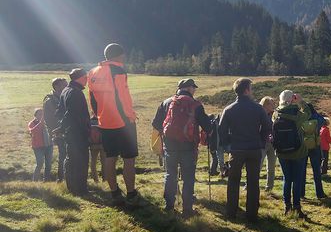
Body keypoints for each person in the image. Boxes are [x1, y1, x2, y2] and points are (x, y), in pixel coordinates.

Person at [152, 79, 213, 218]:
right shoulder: (196, 105)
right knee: (188, 178)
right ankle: (187, 210)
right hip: (188, 147)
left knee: (170, 175)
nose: (195, 90)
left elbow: (156, 124)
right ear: (189, 88)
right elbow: (207, 127)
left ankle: (169, 206)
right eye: (194, 88)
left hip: (170, 146)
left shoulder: (167, 102)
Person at [88, 43, 139, 206]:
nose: (124, 58)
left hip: (105, 122)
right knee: (129, 159)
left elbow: (92, 99)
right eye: (123, 55)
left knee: (110, 157)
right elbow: (123, 97)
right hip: (123, 122)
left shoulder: (93, 72)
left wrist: (98, 116)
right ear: (119, 55)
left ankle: (114, 192)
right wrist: (130, 117)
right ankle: (131, 193)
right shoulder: (118, 71)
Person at [218, 78, 272, 222]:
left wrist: (229, 145)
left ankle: (231, 213)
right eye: (251, 88)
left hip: (236, 149)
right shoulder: (258, 108)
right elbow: (268, 127)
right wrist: (261, 141)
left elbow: (221, 131)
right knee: (253, 182)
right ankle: (252, 215)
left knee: (233, 181)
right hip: (254, 149)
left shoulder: (229, 109)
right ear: (247, 90)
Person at [273, 90, 310, 218]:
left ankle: (287, 206)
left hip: (282, 152)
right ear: (292, 99)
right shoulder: (297, 114)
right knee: (297, 180)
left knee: (287, 179)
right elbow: (308, 114)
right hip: (298, 152)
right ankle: (297, 207)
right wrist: (300, 101)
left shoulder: (276, 114)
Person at [55, 68, 91, 195]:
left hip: (71, 133)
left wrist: (62, 127)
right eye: (85, 77)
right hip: (78, 133)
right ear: (79, 78)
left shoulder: (66, 90)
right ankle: (81, 189)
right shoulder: (76, 92)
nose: (87, 79)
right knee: (80, 161)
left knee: (71, 160)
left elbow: (59, 112)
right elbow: (71, 114)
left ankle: (72, 187)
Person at [43, 77, 67, 182]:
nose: (67, 87)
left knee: (66, 154)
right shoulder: (49, 101)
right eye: (64, 85)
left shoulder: (63, 97)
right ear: (56, 86)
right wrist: (57, 131)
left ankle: (64, 177)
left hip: (66, 130)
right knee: (64, 154)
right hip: (58, 132)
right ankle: (62, 178)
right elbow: (49, 119)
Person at [301, 103, 326, 200]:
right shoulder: (316, 117)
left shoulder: (301, 117)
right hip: (315, 145)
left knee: (302, 171)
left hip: (303, 146)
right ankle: (319, 193)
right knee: (316, 171)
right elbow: (323, 121)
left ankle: (301, 193)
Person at [28, 108, 52, 182]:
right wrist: (41, 122)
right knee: (40, 164)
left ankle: (46, 180)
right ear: (35, 115)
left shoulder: (47, 122)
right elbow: (33, 131)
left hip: (48, 145)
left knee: (48, 164)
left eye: (43, 114)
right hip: (38, 147)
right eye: (39, 114)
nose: (41, 116)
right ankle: (35, 181)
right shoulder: (31, 123)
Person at [259, 96, 277, 192]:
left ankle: (269, 188)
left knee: (271, 167)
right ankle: (249, 185)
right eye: (271, 103)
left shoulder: (274, 115)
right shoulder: (259, 114)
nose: (273, 105)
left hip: (272, 144)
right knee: (257, 166)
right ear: (266, 104)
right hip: (261, 143)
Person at [89, 117, 105, 183]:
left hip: (93, 145)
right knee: (104, 163)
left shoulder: (90, 121)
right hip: (102, 145)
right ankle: (105, 179)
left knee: (93, 163)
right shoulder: (102, 119)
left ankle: (96, 180)